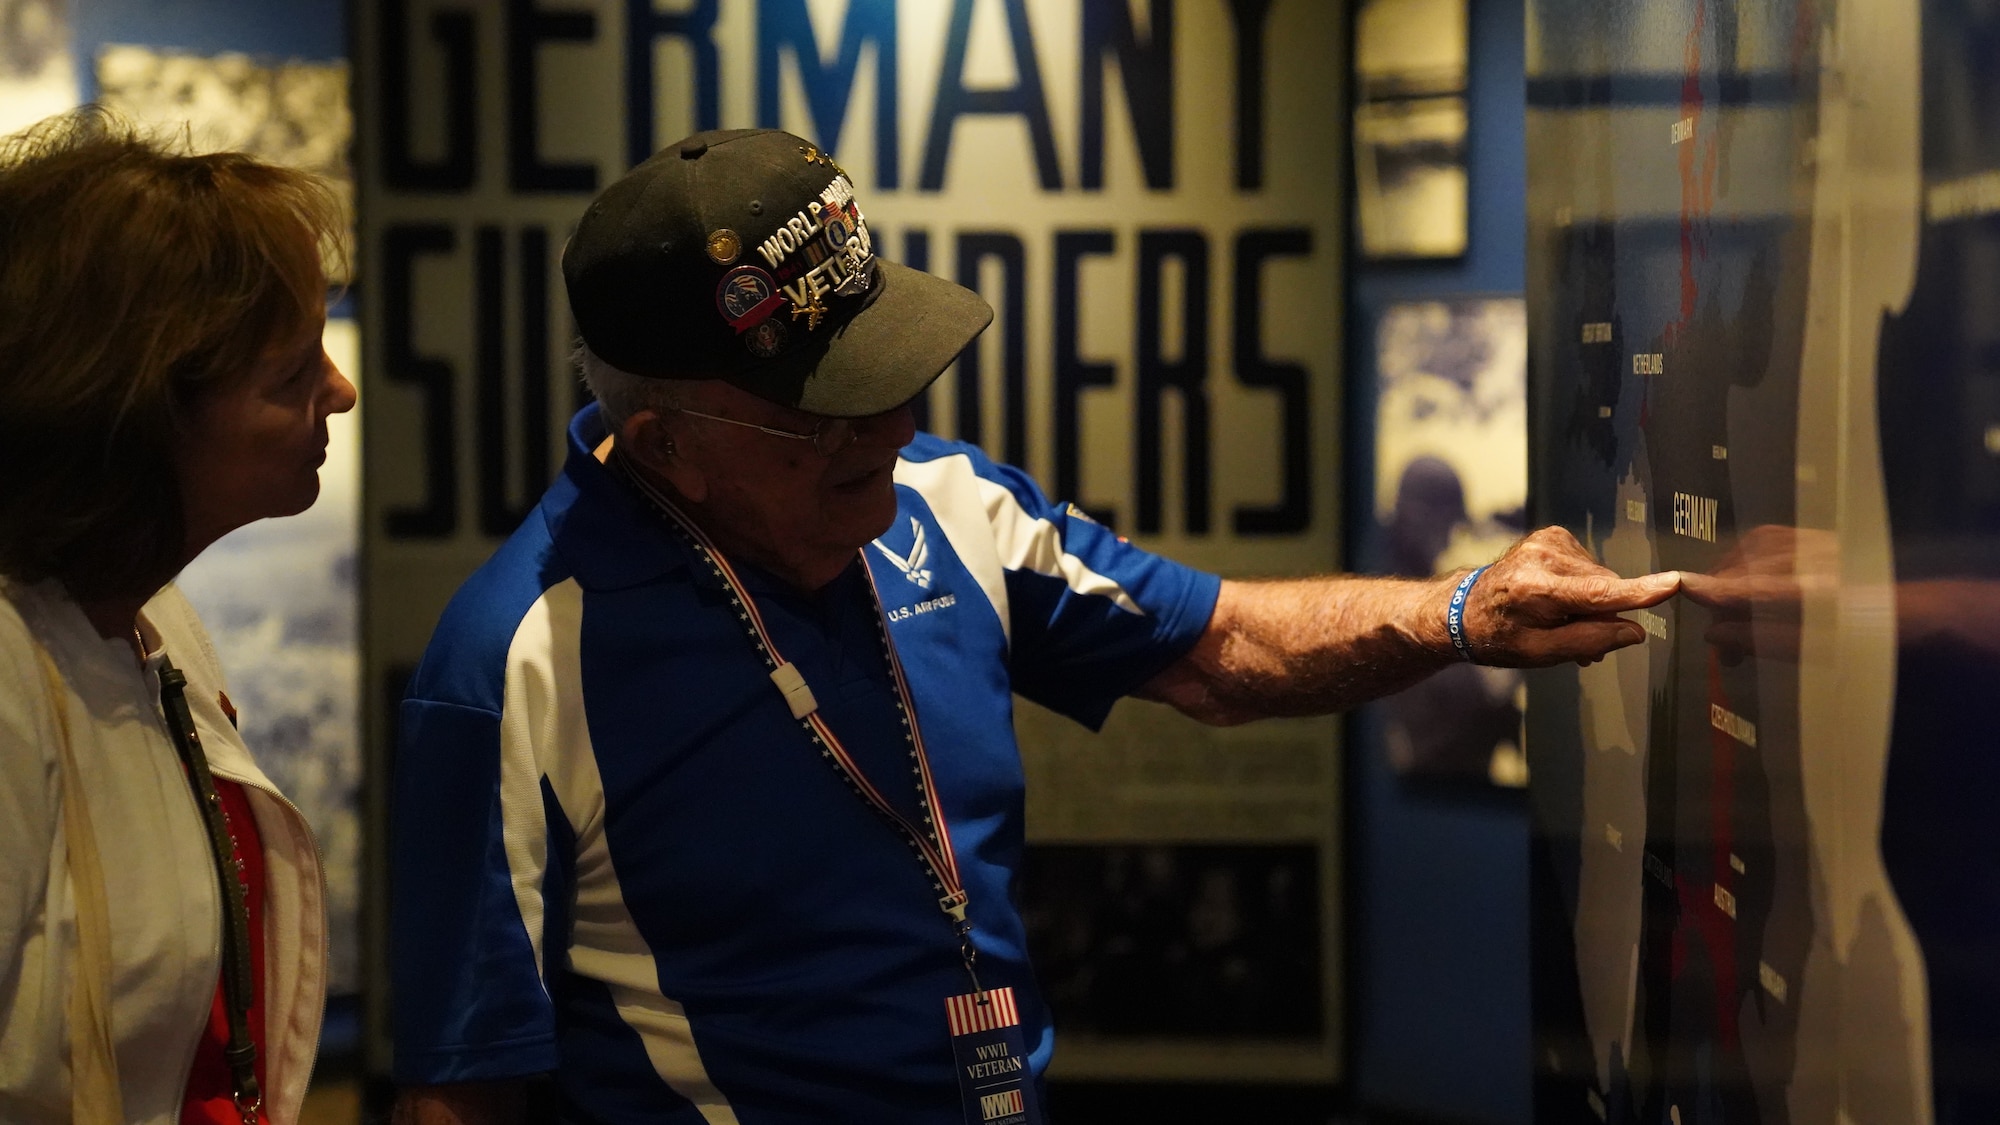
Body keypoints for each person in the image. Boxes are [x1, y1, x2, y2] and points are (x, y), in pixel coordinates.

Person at [390, 128, 1678, 1125]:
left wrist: (1456, 609)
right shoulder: (517, 662)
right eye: (827, 412)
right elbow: (465, 1082)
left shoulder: (951, 507)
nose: (892, 432)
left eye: (895, 381)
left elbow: (1220, 649)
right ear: (666, 439)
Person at [0, 109, 353, 1123]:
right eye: (290, 376)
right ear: (134, 421)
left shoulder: (151, 618)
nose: (341, 392)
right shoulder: (16, 662)